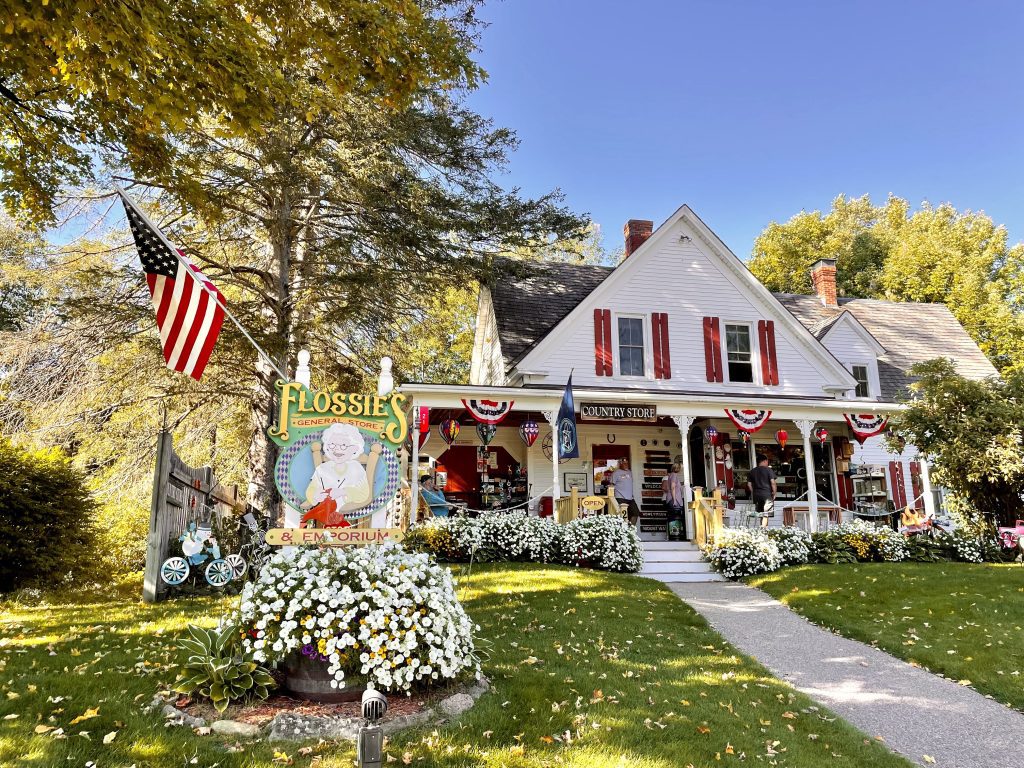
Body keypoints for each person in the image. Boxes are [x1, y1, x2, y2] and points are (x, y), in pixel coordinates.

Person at [746, 455, 777, 527]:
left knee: (760, 514)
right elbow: (773, 482)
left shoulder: (752, 471)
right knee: (766, 514)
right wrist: (774, 493)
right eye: (767, 462)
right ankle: (764, 530)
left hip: (757, 495)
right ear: (765, 461)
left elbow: (749, 485)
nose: (767, 463)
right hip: (767, 494)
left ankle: (761, 528)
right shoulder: (769, 470)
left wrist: (754, 492)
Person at [609, 458, 640, 527]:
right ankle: (623, 531)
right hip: (620, 497)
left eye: (627, 463)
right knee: (622, 516)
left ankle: (630, 530)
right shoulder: (616, 473)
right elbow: (611, 485)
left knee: (636, 513)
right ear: (620, 464)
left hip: (630, 498)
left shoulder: (630, 472)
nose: (626, 465)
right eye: (624, 463)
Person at [661, 463, 685, 539]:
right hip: (674, 500)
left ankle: (674, 536)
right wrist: (674, 500)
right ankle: (676, 537)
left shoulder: (671, 475)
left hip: (671, 499)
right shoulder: (674, 475)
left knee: (673, 517)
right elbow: (673, 487)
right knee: (675, 517)